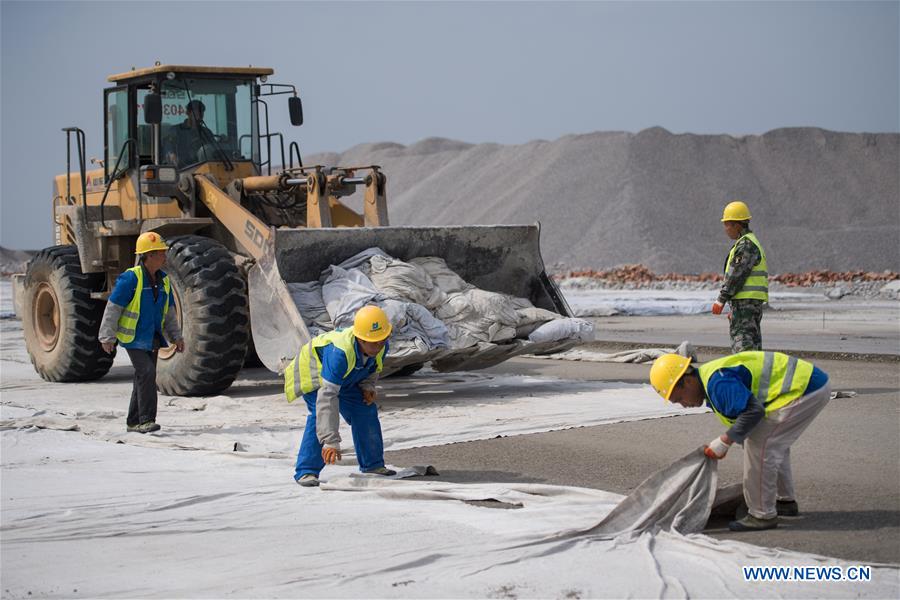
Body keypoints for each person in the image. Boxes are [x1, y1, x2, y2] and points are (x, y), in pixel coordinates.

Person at [649, 351, 831, 531]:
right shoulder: (710, 381)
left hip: (804, 389)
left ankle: (761, 514)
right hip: (808, 385)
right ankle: (784, 502)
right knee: (770, 443)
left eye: (680, 398)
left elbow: (754, 412)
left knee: (760, 446)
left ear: (688, 381)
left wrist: (724, 441)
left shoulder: (718, 384)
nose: (683, 404)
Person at [285, 305, 397, 487]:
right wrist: (330, 442)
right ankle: (306, 471)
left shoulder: (381, 345)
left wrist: (367, 386)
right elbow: (327, 398)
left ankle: (373, 465)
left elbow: (373, 368)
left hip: (344, 377)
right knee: (319, 416)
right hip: (314, 376)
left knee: (365, 410)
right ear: (360, 339)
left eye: (382, 340)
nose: (378, 345)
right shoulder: (340, 353)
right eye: (373, 342)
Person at [98, 232, 184, 433]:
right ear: (149, 255)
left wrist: (177, 337)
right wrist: (107, 336)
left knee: (142, 377)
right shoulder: (130, 278)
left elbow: (169, 313)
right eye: (161, 253)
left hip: (152, 337)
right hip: (133, 337)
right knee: (146, 372)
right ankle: (146, 420)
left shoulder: (164, 281)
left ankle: (133, 421)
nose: (165, 256)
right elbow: (113, 307)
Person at [712, 200, 768, 352]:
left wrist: (721, 300)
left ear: (736, 225)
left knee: (744, 350)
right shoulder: (748, 243)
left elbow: (736, 276)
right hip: (746, 306)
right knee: (752, 349)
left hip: (746, 306)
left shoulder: (746, 246)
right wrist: (734, 307)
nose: (725, 229)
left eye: (727, 224)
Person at [164, 99, 216, 167]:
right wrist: (172, 155)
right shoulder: (176, 130)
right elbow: (168, 147)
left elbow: (214, 149)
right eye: (196, 112)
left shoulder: (206, 132)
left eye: (201, 112)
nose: (199, 115)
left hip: (203, 168)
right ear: (188, 113)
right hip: (182, 169)